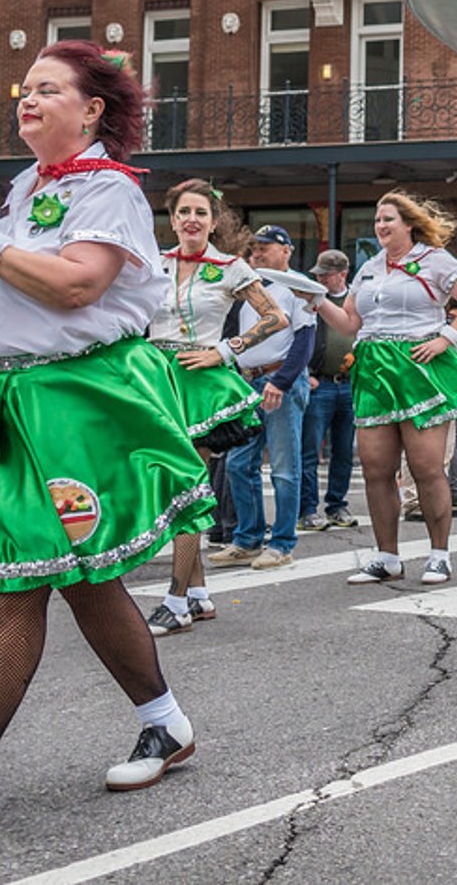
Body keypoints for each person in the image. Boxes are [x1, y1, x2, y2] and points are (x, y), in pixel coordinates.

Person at [0, 45, 209, 839]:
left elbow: (77, 283)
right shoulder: (25, 188)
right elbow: (19, 281)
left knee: (21, 578)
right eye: (23, 90)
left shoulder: (107, 188)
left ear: (92, 108)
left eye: (47, 89)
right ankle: (165, 721)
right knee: (82, 577)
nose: (26, 100)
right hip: (15, 399)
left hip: (74, 401)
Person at [310, 193, 457, 587]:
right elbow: (349, 323)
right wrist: (317, 301)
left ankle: (439, 555)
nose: (380, 225)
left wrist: (447, 337)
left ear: (409, 223)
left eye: (388, 219)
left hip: (417, 367)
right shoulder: (370, 267)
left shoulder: (435, 260)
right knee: (376, 469)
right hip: (373, 370)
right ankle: (387, 556)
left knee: (426, 468)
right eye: (376, 220)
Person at [142, 181, 286, 636]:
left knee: (187, 488)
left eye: (201, 213)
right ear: (173, 218)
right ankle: (200, 595)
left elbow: (275, 317)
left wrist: (224, 352)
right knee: (172, 489)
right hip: (153, 380)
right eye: (184, 211)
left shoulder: (229, 266)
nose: (192, 220)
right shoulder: (153, 264)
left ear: (213, 221)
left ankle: (176, 600)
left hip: (198, 384)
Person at [211, 226, 315, 569]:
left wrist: (282, 381)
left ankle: (283, 543)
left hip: (278, 378)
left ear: (286, 250)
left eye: (266, 248)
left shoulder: (297, 286)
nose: (257, 254)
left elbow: (304, 338)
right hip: (249, 381)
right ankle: (248, 538)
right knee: (239, 464)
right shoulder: (250, 288)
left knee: (285, 468)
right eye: (254, 248)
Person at [298, 248, 359, 530]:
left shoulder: (354, 301)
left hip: (349, 384)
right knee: (310, 449)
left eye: (325, 274)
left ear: (342, 274)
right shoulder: (312, 302)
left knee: (344, 451)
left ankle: (337, 505)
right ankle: (308, 509)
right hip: (319, 382)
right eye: (319, 274)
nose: (320, 279)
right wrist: (306, 372)